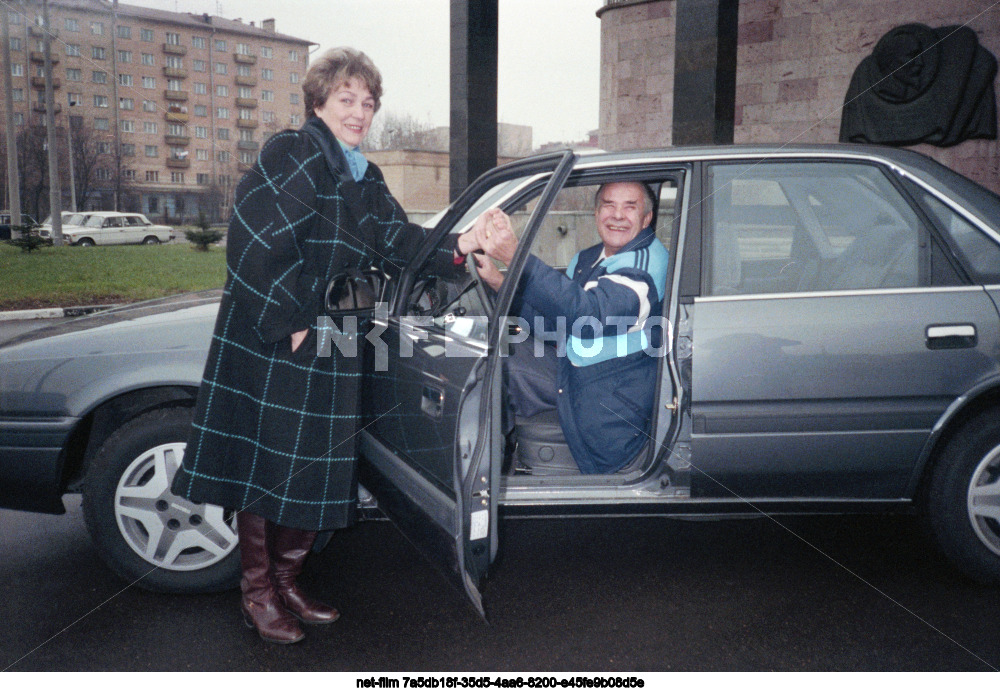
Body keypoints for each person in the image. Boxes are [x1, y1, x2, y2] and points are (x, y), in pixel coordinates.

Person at [171, 47, 479, 644]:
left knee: (316, 465)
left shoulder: (362, 172)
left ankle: (288, 583)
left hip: (335, 338)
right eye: (347, 99)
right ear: (319, 101)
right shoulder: (296, 152)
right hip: (284, 339)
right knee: (272, 464)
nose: (359, 111)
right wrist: (290, 322)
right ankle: (256, 592)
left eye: (368, 102)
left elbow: (400, 241)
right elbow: (256, 241)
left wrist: (461, 246)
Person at [474, 181, 669, 474]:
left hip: (607, 397)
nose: (617, 215)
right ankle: (492, 464)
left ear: (646, 218)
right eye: (608, 204)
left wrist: (517, 256)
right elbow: (558, 325)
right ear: (595, 212)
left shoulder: (644, 267)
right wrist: (498, 282)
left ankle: (479, 473)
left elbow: (589, 317)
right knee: (493, 349)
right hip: (576, 369)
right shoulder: (588, 258)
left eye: (630, 207)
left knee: (491, 366)